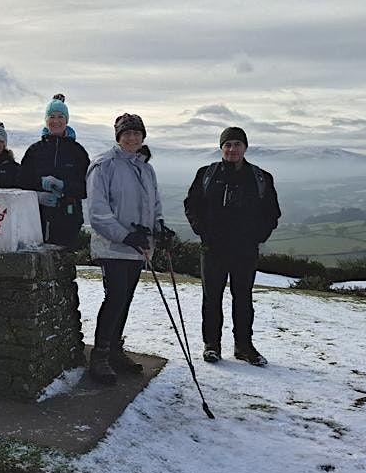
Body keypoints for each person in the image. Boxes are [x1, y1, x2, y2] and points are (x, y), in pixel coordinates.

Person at [184, 126, 281, 367]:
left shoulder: (260, 177)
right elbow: (192, 205)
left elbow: (272, 212)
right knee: (211, 298)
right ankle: (212, 345)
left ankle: (244, 347)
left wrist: (258, 236)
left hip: (245, 250)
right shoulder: (206, 174)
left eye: (237, 144)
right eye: (227, 145)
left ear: (245, 148)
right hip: (213, 248)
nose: (232, 149)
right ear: (221, 148)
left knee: (243, 299)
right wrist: (202, 231)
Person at [85, 113, 165, 384]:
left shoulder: (145, 167)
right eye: (126, 134)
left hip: (138, 247)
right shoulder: (104, 165)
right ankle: (100, 356)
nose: (132, 138)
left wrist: (160, 227)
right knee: (116, 297)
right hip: (112, 247)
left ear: (143, 136)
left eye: (136, 133)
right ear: (118, 137)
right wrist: (126, 236)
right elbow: (97, 212)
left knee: (125, 299)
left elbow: (153, 204)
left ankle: (114, 351)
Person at [19, 93, 90, 249]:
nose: (56, 121)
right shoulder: (35, 150)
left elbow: (87, 188)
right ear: (46, 120)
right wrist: (37, 195)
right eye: (51, 117)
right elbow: (21, 181)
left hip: (69, 219)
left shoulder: (78, 152)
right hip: (37, 217)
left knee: (63, 265)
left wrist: (64, 186)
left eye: (60, 117)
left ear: (67, 120)